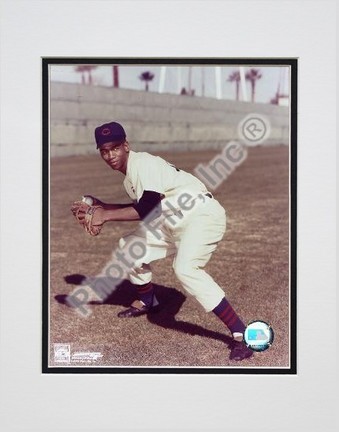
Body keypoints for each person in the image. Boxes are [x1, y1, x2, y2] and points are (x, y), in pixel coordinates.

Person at [88, 121, 253, 361]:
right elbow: (145, 207)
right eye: (104, 150)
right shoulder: (131, 176)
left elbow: (148, 207)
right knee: (129, 247)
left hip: (201, 216)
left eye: (115, 148)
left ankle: (241, 333)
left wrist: (106, 215)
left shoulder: (142, 163)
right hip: (171, 221)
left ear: (126, 146)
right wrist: (101, 205)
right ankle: (148, 300)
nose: (110, 155)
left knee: (185, 268)